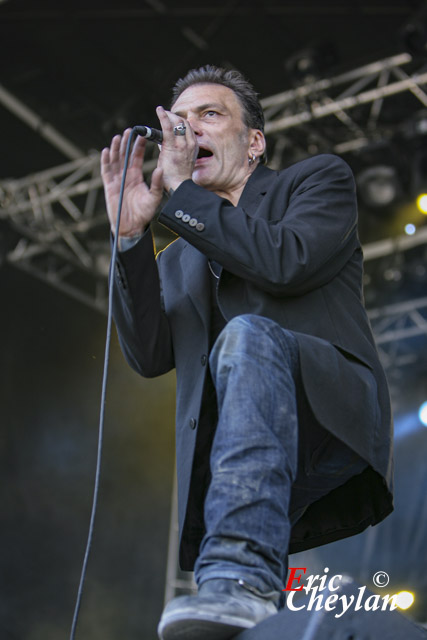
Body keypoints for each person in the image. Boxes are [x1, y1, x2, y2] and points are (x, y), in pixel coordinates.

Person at [100, 65, 393, 640]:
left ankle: (239, 579)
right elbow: (151, 354)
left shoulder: (314, 181)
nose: (187, 131)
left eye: (209, 115)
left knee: (248, 334)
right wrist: (132, 239)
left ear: (254, 142)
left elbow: (286, 263)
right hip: (240, 456)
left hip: (326, 414)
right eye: (177, 122)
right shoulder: (179, 258)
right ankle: (249, 595)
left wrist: (182, 196)